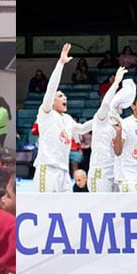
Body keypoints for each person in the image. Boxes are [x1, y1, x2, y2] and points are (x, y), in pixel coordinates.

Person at [33, 44, 92, 192]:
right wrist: (60, 64)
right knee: (45, 208)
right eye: (60, 96)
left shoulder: (67, 118)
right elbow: (51, 87)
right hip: (47, 169)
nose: (64, 97)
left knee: (65, 209)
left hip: (64, 170)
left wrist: (102, 117)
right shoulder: (46, 112)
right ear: (52, 101)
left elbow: (83, 128)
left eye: (64, 95)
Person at [88, 67, 131, 193]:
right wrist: (116, 82)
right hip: (100, 172)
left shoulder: (121, 122)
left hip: (116, 172)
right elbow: (106, 104)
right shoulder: (101, 117)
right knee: (98, 209)